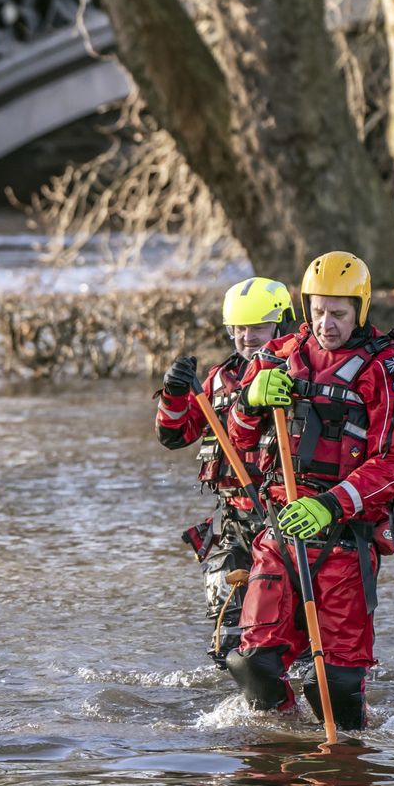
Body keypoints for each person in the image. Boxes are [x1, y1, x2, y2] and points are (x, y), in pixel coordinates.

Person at [223, 252, 394, 729]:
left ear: (361, 307)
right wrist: (250, 402)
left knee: (334, 685)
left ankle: (344, 768)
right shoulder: (279, 357)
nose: (325, 324)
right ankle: (281, 752)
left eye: (337, 313)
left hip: (344, 538)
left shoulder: (388, 370)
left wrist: (330, 504)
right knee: (253, 663)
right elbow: (237, 442)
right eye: (316, 311)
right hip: (279, 529)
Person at [155, 277, 295, 668]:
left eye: (257, 328)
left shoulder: (299, 373)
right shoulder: (218, 380)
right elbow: (174, 434)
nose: (246, 337)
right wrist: (173, 393)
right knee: (227, 645)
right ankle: (240, 720)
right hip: (232, 525)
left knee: (286, 634)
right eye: (238, 328)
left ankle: (292, 709)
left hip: (284, 523)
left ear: (281, 325)